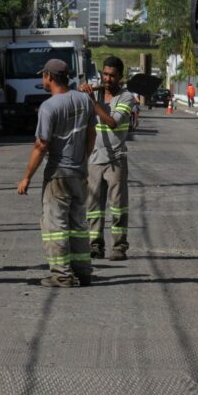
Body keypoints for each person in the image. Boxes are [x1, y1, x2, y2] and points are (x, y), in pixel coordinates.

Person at [18, 59, 96, 288]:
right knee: (78, 224)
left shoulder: (49, 107)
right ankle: (83, 272)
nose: (42, 79)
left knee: (55, 226)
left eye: (43, 76)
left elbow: (41, 145)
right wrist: (83, 159)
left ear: (50, 77)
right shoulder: (84, 101)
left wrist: (26, 177)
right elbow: (91, 134)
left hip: (58, 175)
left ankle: (62, 275)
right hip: (79, 172)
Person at [78, 56, 135, 261]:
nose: (108, 79)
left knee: (118, 206)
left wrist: (93, 101)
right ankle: (95, 246)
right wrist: (81, 93)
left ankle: (119, 247)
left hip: (116, 160)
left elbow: (112, 122)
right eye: (105, 74)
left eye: (112, 76)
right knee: (94, 207)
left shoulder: (126, 97)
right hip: (94, 158)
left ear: (120, 77)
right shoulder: (95, 93)